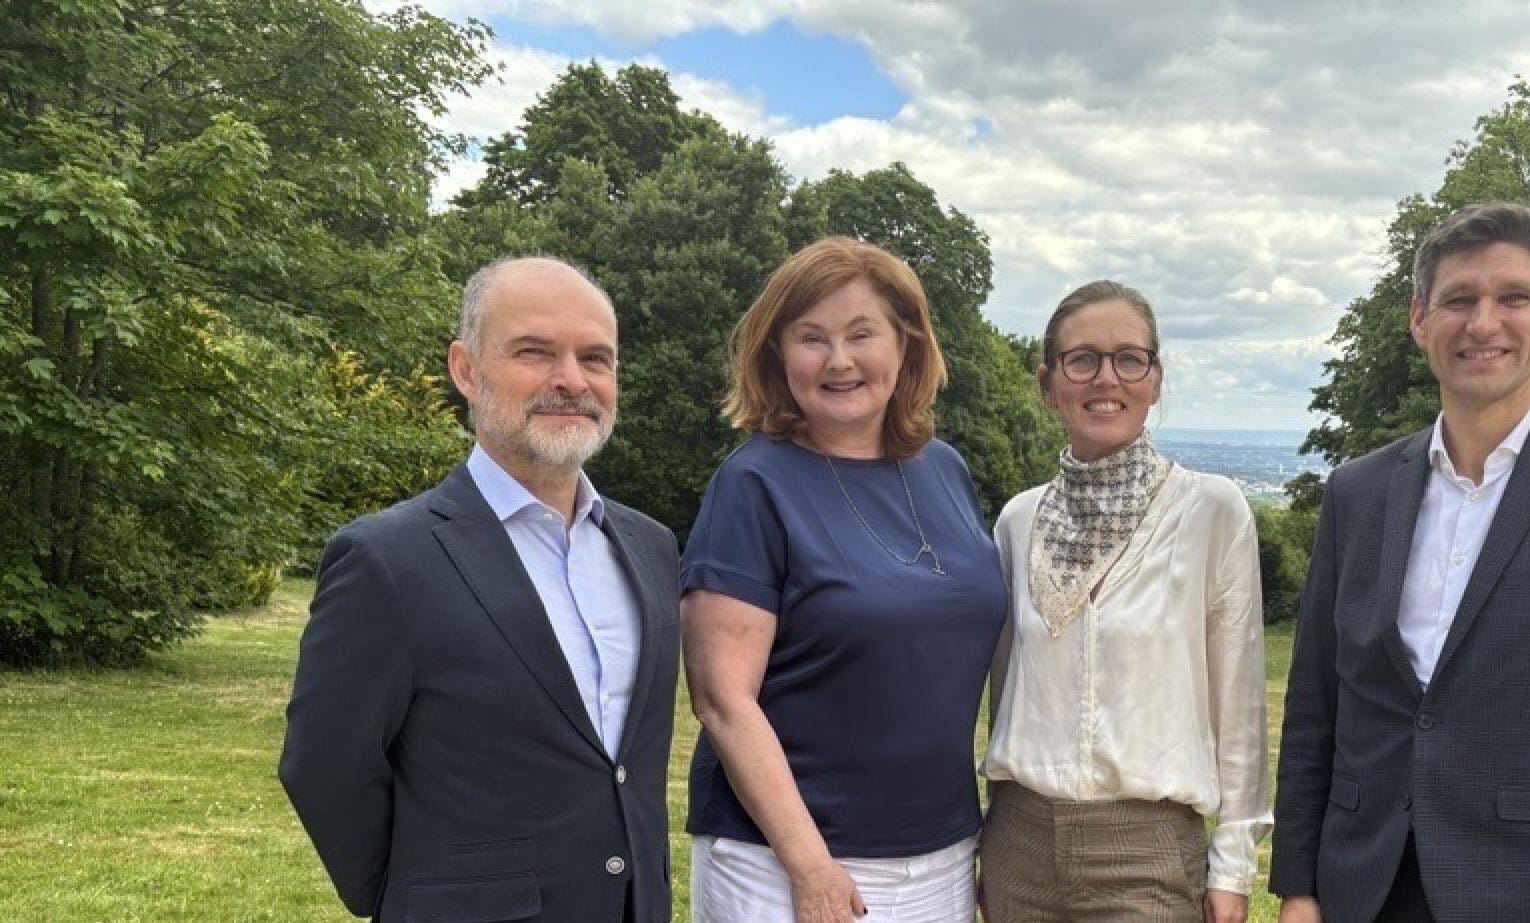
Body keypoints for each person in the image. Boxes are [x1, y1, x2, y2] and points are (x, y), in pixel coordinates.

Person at [1269, 202, 1530, 923]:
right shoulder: (1357, 493)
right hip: (1358, 891)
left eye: (1513, 297)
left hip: (1527, 894)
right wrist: (1299, 887)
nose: (1483, 323)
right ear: (1420, 319)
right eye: (1459, 299)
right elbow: (1315, 706)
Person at [279, 257, 682, 923]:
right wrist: (411, 891)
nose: (571, 379)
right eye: (535, 352)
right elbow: (324, 764)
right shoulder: (388, 559)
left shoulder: (651, 548)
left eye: (595, 358)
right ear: (465, 370)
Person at [682, 237, 1006, 923]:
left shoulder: (944, 469)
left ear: (906, 344)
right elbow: (722, 698)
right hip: (784, 862)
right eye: (812, 338)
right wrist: (809, 865)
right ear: (778, 354)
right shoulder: (752, 483)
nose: (839, 360)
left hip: (940, 852)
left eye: (862, 334)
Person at [979, 280, 1271, 923]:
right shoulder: (1018, 522)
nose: (1105, 378)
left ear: (1156, 380)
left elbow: (1241, 706)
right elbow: (1004, 691)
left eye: (1129, 359)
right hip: (1019, 846)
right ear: (1048, 384)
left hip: (1147, 855)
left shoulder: (1211, 511)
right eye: (1081, 359)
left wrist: (1233, 865)